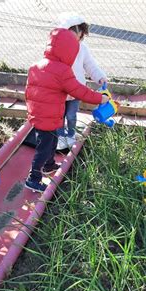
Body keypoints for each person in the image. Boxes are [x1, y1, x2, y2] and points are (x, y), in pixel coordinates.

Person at [25, 28, 109, 193]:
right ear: (68, 51)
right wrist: (100, 98)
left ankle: (49, 165)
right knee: (43, 149)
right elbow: (78, 90)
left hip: (39, 114)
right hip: (49, 117)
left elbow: (28, 91)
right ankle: (33, 179)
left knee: (51, 141)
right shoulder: (62, 71)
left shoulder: (36, 65)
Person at [55, 12, 108, 150]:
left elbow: (90, 65)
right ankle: (60, 136)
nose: (76, 39)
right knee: (58, 115)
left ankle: (71, 134)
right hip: (60, 90)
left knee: (71, 115)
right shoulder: (58, 49)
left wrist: (99, 77)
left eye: (79, 36)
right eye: (72, 36)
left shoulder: (82, 49)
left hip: (76, 90)